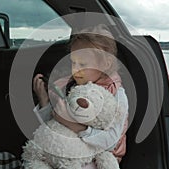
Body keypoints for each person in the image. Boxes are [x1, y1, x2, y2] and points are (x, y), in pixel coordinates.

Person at [31, 24, 128, 168]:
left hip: (100, 158)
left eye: (82, 64)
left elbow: (111, 142)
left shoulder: (116, 94)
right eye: (72, 62)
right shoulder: (73, 87)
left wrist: (70, 123)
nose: (75, 69)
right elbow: (53, 126)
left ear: (106, 64)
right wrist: (44, 101)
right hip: (69, 151)